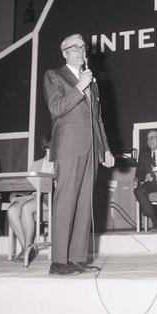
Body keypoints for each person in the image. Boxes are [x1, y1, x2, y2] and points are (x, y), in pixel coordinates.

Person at [43, 33, 115, 275]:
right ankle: (59, 260)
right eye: (74, 48)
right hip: (68, 147)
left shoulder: (92, 81)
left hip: (91, 147)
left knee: (85, 203)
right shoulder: (54, 75)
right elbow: (57, 107)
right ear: (64, 53)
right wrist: (81, 84)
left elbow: (97, 118)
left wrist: (105, 148)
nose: (80, 51)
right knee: (66, 200)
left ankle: (76, 257)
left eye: (82, 47)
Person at [7, 132, 54, 263]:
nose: (49, 152)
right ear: (44, 148)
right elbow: (29, 186)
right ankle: (27, 248)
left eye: (53, 148)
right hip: (35, 196)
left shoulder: (62, 164)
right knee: (12, 210)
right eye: (47, 148)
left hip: (51, 199)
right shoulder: (36, 164)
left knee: (27, 207)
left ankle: (27, 249)